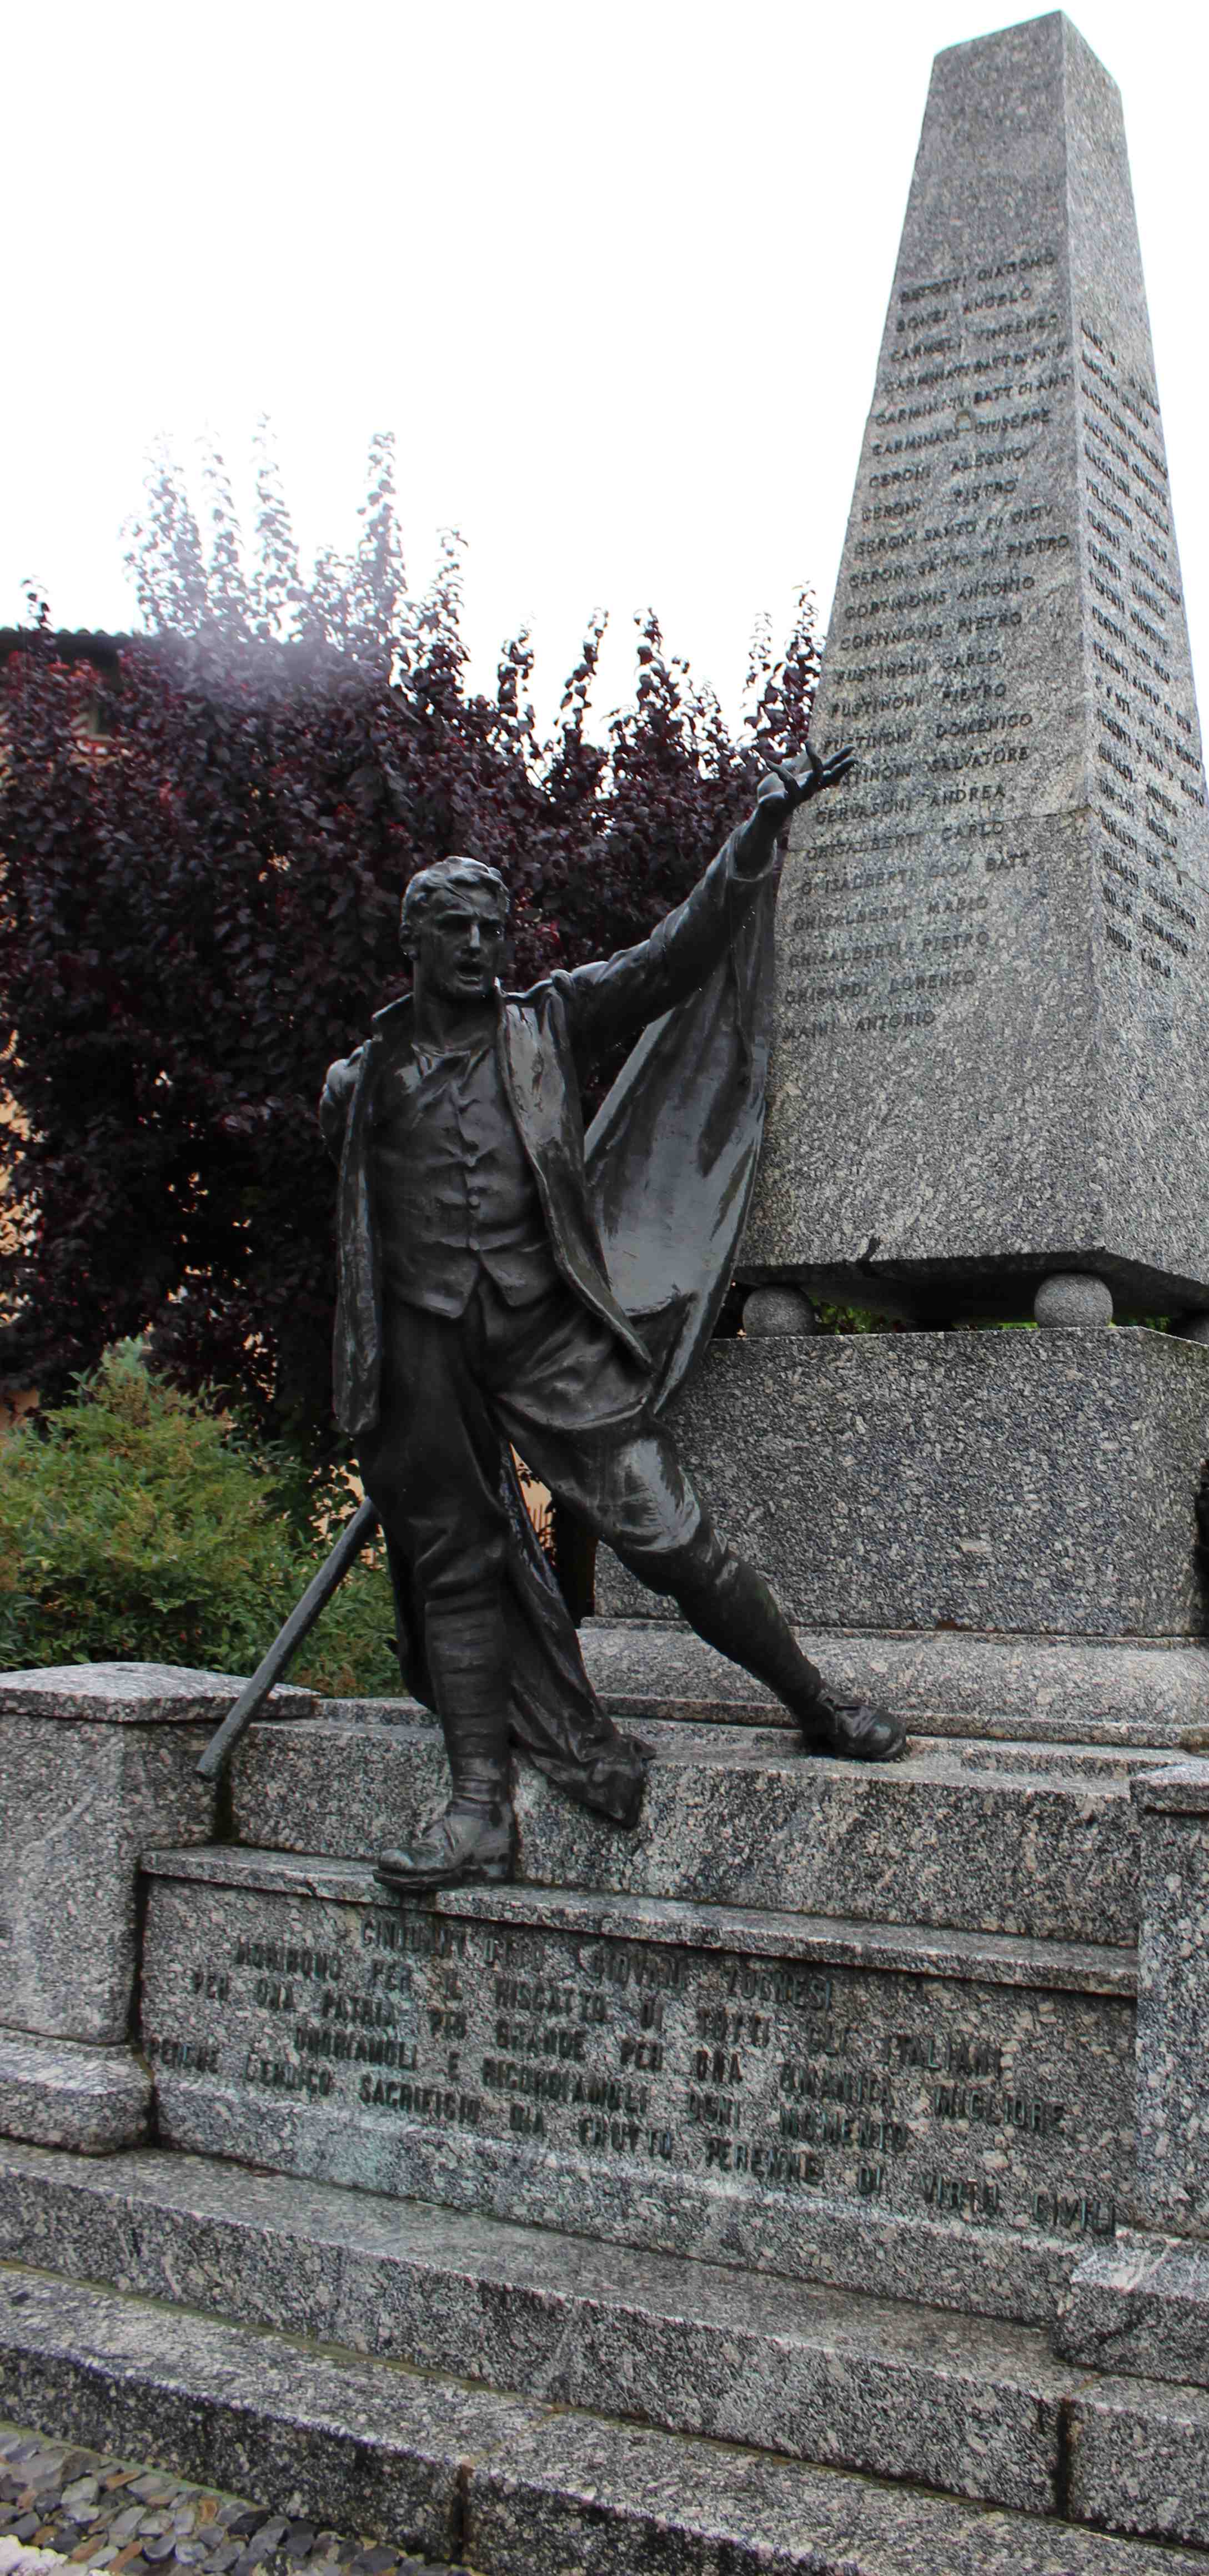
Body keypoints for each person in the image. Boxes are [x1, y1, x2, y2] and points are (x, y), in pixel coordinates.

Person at [319, 742, 902, 1896]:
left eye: (494, 928)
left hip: (546, 1337)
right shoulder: (363, 1083)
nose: (483, 947)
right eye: (458, 931)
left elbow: (670, 961)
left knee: (672, 1535)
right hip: (424, 1351)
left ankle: (816, 1701)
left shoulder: (547, 1024)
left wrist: (755, 838)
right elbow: (350, 1243)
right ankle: (477, 1808)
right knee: (452, 1566)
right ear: (416, 946)